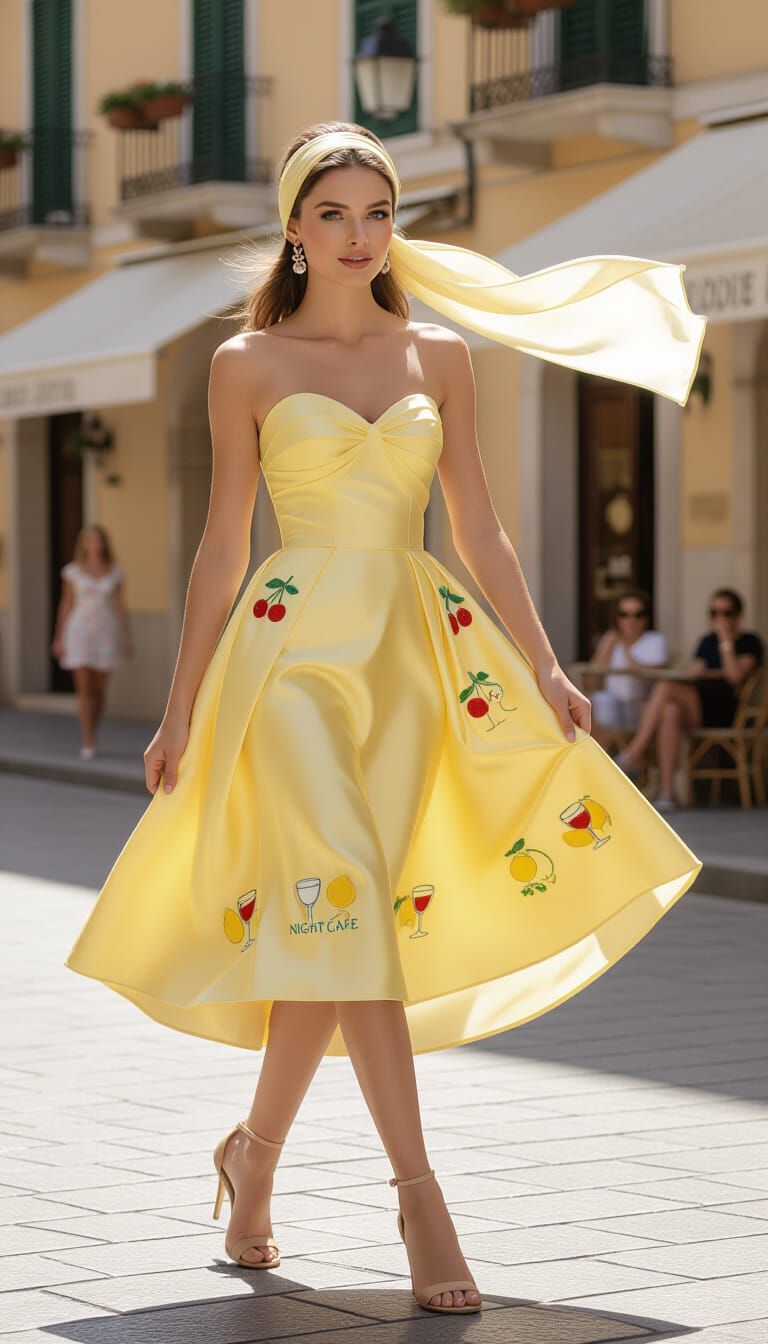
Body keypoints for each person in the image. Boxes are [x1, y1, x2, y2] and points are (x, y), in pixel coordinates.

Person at [65, 122, 707, 1318]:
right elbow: (221, 545)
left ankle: (250, 1161)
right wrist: (182, 704)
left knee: (333, 927)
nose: (360, 236)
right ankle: (422, 1198)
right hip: (292, 658)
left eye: (378, 213)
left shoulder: (443, 357)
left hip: (416, 661)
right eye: (336, 214)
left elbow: (480, 528)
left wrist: (549, 668)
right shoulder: (245, 363)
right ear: (296, 230)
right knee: (345, 891)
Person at [615, 587, 764, 810]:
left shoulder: (750, 641)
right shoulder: (707, 641)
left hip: (731, 711)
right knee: (670, 710)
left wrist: (725, 641)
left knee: (665, 687)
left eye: (726, 612)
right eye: (714, 613)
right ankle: (667, 793)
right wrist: (713, 669)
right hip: (700, 704)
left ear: (738, 615)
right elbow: (695, 671)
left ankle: (636, 751)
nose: (720, 618)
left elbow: (734, 676)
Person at [51, 524, 133, 759]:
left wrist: (127, 637)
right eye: (90, 540)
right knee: (85, 689)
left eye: (98, 540)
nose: (94, 544)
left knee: (99, 689)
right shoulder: (72, 572)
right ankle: (88, 739)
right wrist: (58, 637)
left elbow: (120, 606)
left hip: (106, 633)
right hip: (78, 633)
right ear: (83, 544)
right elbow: (65, 604)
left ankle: (93, 729)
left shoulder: (115, 571)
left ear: (104, 543)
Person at [585, 588, 668, 749]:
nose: (631, 620)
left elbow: (649, 675)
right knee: (598, 701)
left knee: (602, 704)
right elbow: (591, 684)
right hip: (610, 708)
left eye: (638, 614)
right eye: (624, 614)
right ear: (616, 618)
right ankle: (608, 758)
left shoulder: (655, 640)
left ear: (647, 617)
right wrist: (607, 647)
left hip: (643, 708)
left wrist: (626, 648)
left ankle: (607, 759)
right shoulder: (610, 640)